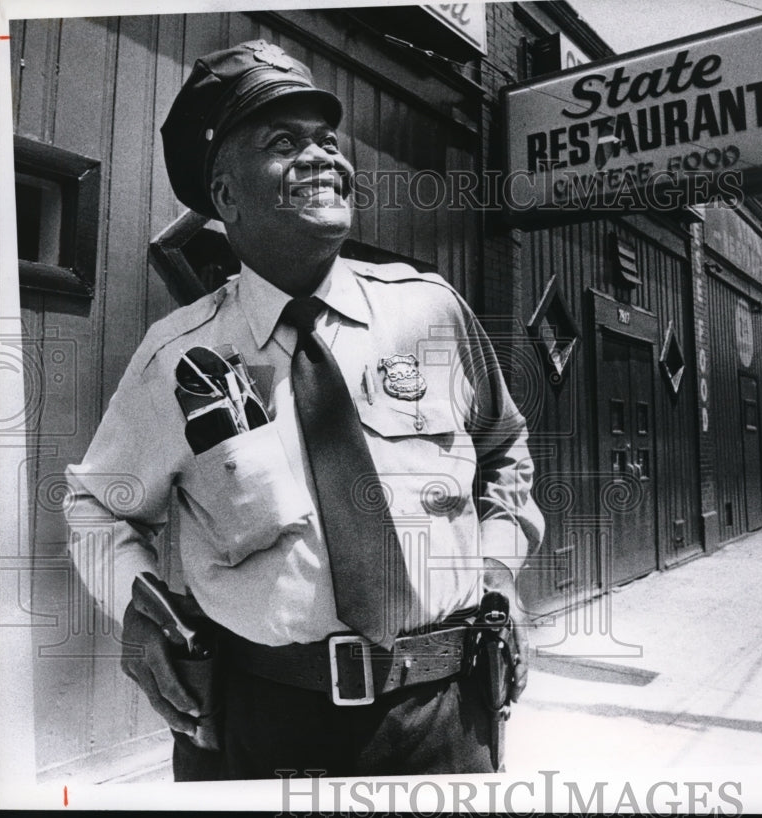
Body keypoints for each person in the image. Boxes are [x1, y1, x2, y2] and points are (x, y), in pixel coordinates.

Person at [63, 40, 544, 781]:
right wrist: (138, 607)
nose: (323, 158)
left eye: (327, 140)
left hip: (446, 717)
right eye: (284, 143)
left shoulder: (431, 312)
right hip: (259, 725)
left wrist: (499, 574)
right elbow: (95, 503)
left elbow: (503, 454)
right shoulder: (178, 357)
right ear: (226, 196)